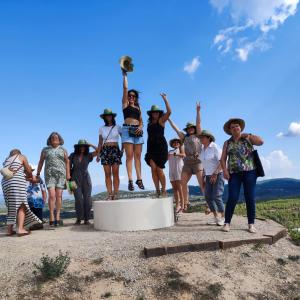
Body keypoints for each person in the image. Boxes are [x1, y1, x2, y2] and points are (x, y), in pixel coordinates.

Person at [220, 118, 264, 233]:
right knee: (232, 197)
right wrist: (224, 170)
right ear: (230, 130)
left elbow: (261, 142)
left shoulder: (247, 138)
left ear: (240, 128)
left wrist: (249, 134)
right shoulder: (227, 143)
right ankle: (227, 223)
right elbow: (223, 159)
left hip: (250, 171)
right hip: (234, 173)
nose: (235, 128)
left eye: (237, 126)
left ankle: (251, 224)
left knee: (250, 197)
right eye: (233, 127)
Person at [168, 102, 205, 211]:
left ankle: (208, 204)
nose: (190, 129)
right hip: (187, 162)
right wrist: (168, 119)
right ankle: (186, 203)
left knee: (201, 184)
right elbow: (176, 129)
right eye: (188, 128)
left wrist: (198, 111)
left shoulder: (199, 135)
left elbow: (198, 122)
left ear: (193, 128)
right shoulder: (184, 137)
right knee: (182, 183)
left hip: (197, 161)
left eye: (191, 128)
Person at [1, 149, 42, 236]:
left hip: (5, 183)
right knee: (21, 204)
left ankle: (9, 230)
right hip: (16, 182)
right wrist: (31, 177)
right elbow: (28, 170)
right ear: (19, 153)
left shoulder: (6, 160)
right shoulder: (21, 157)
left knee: (11, 206)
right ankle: (20, 229)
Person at [36, 132, 70, 227]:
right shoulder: (45, 150)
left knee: (59, 196)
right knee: (51, 195)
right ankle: (51, 216)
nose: (55, 139)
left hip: (61, 175)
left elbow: (67, 162)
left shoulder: (63, 150)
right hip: (49, 175)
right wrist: (38, 173)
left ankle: (58, 216)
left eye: (56, 137)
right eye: (52, 138)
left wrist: (68, 174)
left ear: (59, 140)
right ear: (50, 140)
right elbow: (41, 162)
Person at [121, 70, 144, 191]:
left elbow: (141, 120)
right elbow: (125, 88)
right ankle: (130, 180)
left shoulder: (138, 107)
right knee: (129, 156)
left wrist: (140, 126)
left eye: (133, 96)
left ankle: (139, 178)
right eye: (129, 95)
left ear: (136, 98)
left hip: (138, 131)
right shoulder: (125, 105)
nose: (131, 97)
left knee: (138, 156)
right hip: (127, 130)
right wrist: (125, 75)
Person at [145, 93, 171, 197]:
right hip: (151, 147)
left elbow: (169, 112)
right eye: (153, 112)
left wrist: (165, 99)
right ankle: (157, 191)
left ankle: (164, 190)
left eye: (156, 112)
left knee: (159, 169)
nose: (155, 113)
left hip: (161, 147)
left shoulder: (161, 120)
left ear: (159, 113)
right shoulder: (149, 124)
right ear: (151, 114)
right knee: (153, 169)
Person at [69, 140, 98, 225]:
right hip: (74, 179)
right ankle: (78, 219)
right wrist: (68, 176)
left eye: (84, 146)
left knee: (87, 200)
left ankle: (87, 219)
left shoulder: (88, 155)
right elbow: (67, 164)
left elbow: (99, 150)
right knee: (78, 199)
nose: (82, 148)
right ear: (77, 147)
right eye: (81, 146)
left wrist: (90, 144)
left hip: (86, 179)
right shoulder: (72, 155)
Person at [199, 130, 225, 226]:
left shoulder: (214, 147)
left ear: (208, 138)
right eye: (200, 137)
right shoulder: (202, 149)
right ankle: (216, 217)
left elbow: (222, 161)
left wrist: (215, 174)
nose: (201, 139)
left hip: (218, 174)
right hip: (208, 175)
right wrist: (203, 176)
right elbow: (205, 164)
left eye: (203, 137)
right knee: (208, 196)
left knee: (217, 196)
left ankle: (224, 217)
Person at [97, 109, 123, 200]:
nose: (108, 117)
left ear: (112, 116)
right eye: (106, 116)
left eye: (110, 115)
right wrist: (98, 154)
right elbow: (100, 142)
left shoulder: (118, 127)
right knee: (107, 174)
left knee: (116, 173)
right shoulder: (101, 128)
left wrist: (122, 149)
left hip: (115, 149)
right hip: (105, 150)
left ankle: (116, 194)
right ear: (104, 117)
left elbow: (123, 139)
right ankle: (109, 194)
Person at [27, 166, 47, 230]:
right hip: (28, 200)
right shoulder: (23, 179)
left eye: (29, 171)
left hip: (38, 199)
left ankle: (39, 224)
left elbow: (43, 189)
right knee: (31, 214)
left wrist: (44, 198)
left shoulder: (38, 178)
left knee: (38, 213)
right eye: (26, 171)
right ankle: (35, 224)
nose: (27, 172)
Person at [168, 138, 185, 212]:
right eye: (174, 142)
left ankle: (183, 205)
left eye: (177, 142)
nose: (176, 143)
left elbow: (183, 155)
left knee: (180, 188)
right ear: (172, 144)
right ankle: (177, 205)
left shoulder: (180, 150)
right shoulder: (170, 151)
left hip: (179, 170)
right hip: (171, 171)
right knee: (174, 189)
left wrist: (177, 154)